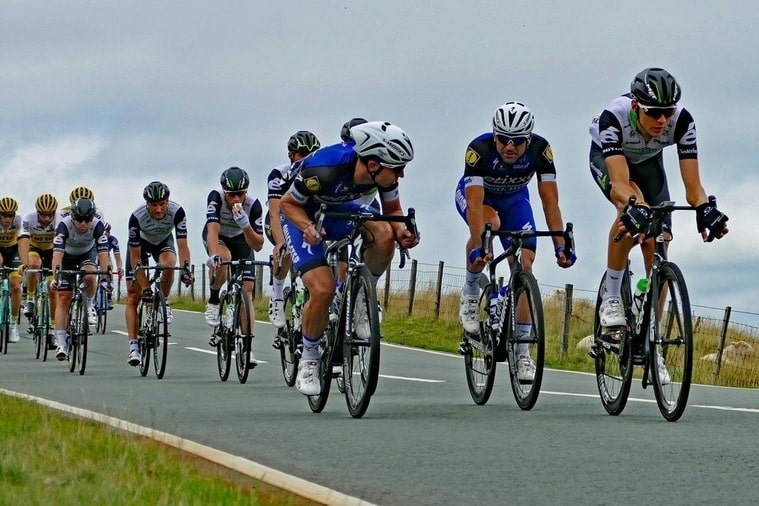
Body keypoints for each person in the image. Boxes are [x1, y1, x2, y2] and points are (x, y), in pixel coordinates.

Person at [589, 67, 728, 383]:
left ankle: (654, 341)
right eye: (655, 113)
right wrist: (632, 207)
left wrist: (705, 210)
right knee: (633, 209)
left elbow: (694, 188)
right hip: (612, 163)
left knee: (660, 240)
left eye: (668, 112)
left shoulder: (683, 122)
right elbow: (621, 184)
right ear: (637, 106)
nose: (663, 120)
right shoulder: (614, 117)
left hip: (650, 165)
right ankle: (612, 297)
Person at [279, 120, 419, 396]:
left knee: (384, 234)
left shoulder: (383, 174)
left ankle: (360, 299)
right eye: (397, 167)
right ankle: (309, 356)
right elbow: (287, 203)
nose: (402, 174)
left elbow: (392, 211)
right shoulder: (324, 168)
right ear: (374, 164)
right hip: (304, 215)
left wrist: (403, 231)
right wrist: (306, 228)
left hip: (339, 210)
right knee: (322, 289)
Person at [455, 101, 575, 382]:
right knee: (490, 223)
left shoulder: (541, 151)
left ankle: (522, 352)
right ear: (494, 136)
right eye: (503, 140)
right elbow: (474, 206)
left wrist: (560, 244)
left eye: (517, 141)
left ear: (528, 139)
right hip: (479, 200)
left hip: (515, 202)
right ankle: (472, 290)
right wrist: (478, 246)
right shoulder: (478, 151)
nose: (510, 147)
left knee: (525, 266)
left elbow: (550, 202)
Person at [123, 182, 193, 366]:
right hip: (140, 246)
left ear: (167, 201)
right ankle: (133, 347)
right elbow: (136, 258)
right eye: (154, 205)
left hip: (163, 242)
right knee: (133, 296)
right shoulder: (136, 218)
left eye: (162, 204)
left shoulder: (177, 212)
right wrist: (145, 287)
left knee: (169, 265)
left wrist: (187, 269)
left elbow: (182, 245)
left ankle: (164, 301)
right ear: (147, 204)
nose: (159, 209)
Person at [203, 167, 265, 361]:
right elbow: (212, 230)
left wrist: (245, 224)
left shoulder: (253, 205)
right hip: (219, 238)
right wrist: (213, 256)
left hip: (242, 240)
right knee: (224, 258)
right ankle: (214, 300)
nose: (236, 198)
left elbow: (259, 244)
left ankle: (247, 348)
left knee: (247, 290)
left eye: (240, 193)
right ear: (224, 192)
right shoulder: (215, 198)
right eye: (232, 194)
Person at [265, 130, 321, 330]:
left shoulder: (319, 172)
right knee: (287, 249)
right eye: (302, 153)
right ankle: (277, 296)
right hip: (279, 219)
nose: (307, 158)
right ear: (291, 155)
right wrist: (280, 242)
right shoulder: (279, 174)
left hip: (305, 220)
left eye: (312, 153)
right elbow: (274, 211)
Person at [50, 197, 110, 360]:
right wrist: (56, 277)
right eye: (80, 219)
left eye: (88, 219)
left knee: (91, 276)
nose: (83, 224)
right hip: (67, 257)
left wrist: (105, 279)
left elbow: (103, 254)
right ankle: (61, 341)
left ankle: (89, 305)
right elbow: (57, 256)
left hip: (86, 254)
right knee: (63, 298)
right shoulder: (64, 225)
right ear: (73, 217)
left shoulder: (97, 225)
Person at [57, 185, 106, 325]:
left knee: (90, 276)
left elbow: (100, 240)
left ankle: (89, 306)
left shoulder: (98, 214)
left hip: (87, 249)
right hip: (67, 250)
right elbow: (57, 240)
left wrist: (103, 271)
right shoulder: (61, 214)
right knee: (63, 293)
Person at [18, 194, 59, 343]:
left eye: (50, 215)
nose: (47, 219)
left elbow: (64, 242)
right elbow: (23, 240)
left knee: (52, 289)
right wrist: (24, 264)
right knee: (33, 265)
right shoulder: (29, 219)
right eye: (43, 215)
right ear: (38, 213)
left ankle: (54, 328)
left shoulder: (60, 218)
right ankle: (30, 298)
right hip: (34, 247)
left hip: (52, 250)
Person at [0, 197, 25, 343]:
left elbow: (23, 241)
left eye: (11, 215)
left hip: (14, 251)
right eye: (4, 215)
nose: (8, 219)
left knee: (16, 286)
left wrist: (24, 262)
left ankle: (13, 324)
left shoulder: (19, 221)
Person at [102, 223, 124, 309]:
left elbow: (117, 257)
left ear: (109, 233)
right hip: (95, 255)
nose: (105, 235)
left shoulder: (112, 240)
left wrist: (119, 268)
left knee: (109, 266)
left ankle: (109, 297)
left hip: (106, 256)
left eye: (106, 233)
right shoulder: (94, 237)